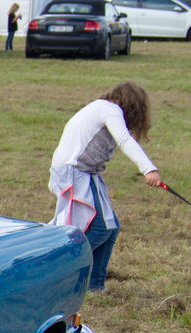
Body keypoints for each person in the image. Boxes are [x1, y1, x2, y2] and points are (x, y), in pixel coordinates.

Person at [49, 82, 162, 292]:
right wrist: (149, 169)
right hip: (74, 170)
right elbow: (124, 140)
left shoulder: (103, 109)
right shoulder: (109, 110)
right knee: (100, 227)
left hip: (85, 172)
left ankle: (95, 286)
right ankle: (58, 273)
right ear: (133, 106)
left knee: (111, 228)